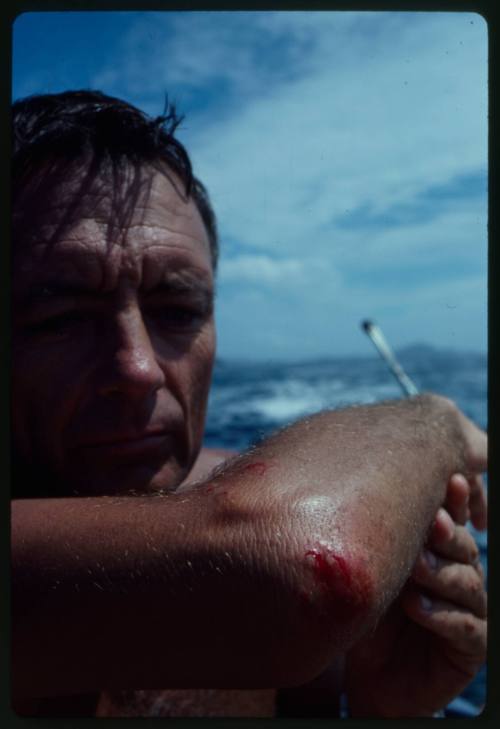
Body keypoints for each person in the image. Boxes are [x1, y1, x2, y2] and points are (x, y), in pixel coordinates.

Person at [11, 90, 488, 718]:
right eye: (59, 317)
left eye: (178, 311)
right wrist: (437, 423)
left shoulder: (239, 498)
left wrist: (385, 709)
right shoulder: (254, 541)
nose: (138, 368)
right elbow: (311, 572)